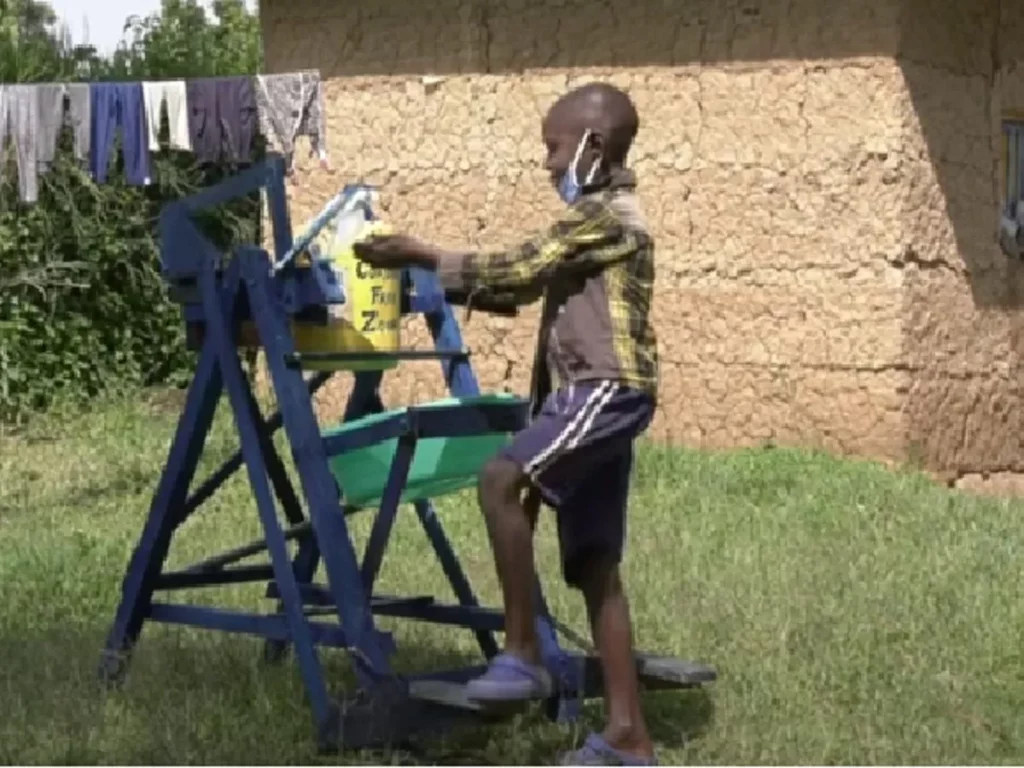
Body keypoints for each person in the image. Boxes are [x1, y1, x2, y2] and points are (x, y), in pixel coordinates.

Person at [353, 82, 660, 766]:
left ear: (593, 146)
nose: (548, 164)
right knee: (593, 564)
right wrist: (431, 280)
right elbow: (520, 289)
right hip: (592, 397)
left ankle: (522, 654)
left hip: (603, 392)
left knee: (499, 479)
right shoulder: (595, 225)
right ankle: (628, 738)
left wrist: (423, 256)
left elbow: (522, 267)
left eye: (554, 147)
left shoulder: (607, 219)